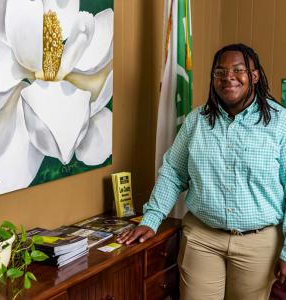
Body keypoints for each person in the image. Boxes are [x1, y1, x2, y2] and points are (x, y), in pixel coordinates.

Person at [117, 43, 286, 300]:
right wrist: (151, 219)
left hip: (258, 244)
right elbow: (173, 171)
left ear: (254, 76)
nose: (228, 77)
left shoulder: (280, 123)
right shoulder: (197, 121)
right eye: (220, 72)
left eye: (238, 70)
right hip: (202, 240)